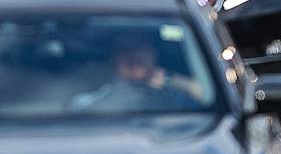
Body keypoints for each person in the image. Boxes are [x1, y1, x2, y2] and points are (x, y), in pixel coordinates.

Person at [69, 31, 206, 113]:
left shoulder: (180, 97)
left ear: (154, 53)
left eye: (139, 46)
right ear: (113, 59)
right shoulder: (87, 102)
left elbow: (206, 99)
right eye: (123, 48)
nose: (133, 54)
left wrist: (172, 81)